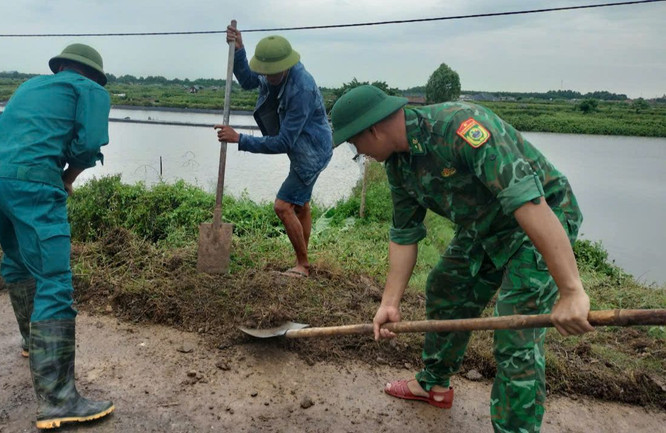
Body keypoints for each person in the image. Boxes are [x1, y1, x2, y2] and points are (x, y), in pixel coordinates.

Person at [329, 85, 594, 433]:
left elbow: (527, 202)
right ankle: (433, 384)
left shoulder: (461, 128)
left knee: (516, 332)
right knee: (447, 286)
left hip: (541, 218)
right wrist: (390, 303)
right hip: (487, 224)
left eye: (354, 144)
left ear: (373, 130)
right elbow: (405, 234)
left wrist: (571, 291)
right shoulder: (399, 165)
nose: (359, 152)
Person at [0, 43, 114, 429]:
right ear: (93, 75)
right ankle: (58, 400)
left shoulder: (30, 87)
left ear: (61, 68)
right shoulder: (91, 91)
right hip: (31, 184)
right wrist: (67, 178)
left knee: (17, 260)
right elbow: (87, 145)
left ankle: (31, 342)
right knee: (54, 279)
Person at [214, 24, 333, 278]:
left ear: (285, 66)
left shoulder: (301, 89)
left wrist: (240, 138)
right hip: (301, 148)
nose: (267, 78)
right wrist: (239, 50)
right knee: (300, 205)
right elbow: (247, 80)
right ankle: (304, 258)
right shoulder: (271, 72)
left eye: (272, 74)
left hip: (311, 152)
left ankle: (302, 265)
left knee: (283, 206)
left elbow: (283, 142)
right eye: (264, 73)